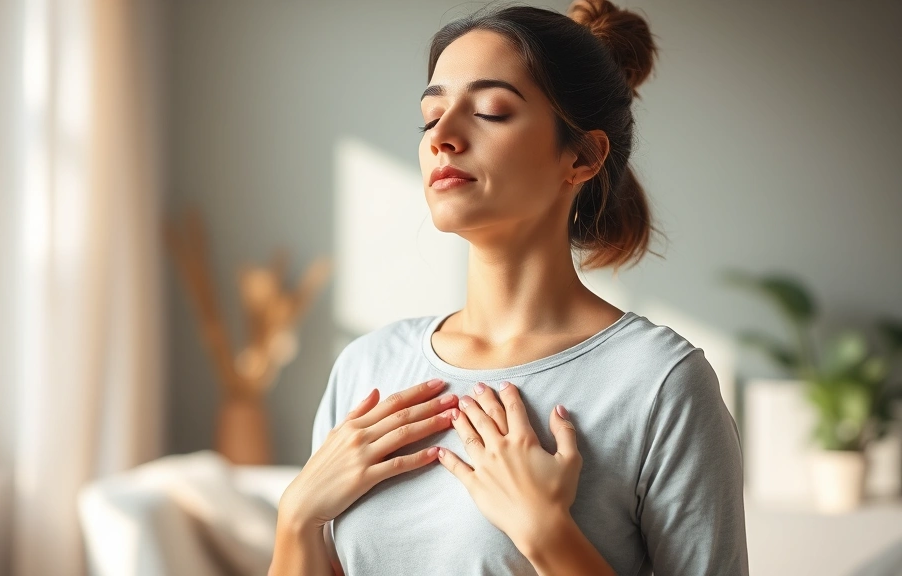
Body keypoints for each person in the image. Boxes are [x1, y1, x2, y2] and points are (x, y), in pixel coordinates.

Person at [270, 1, 749, 575]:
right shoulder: (368, 367)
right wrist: (296, 518)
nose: (442, 136)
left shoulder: (658, 383)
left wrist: (548, 535)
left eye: (491, 111)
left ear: (583, 156)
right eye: (430, 116)